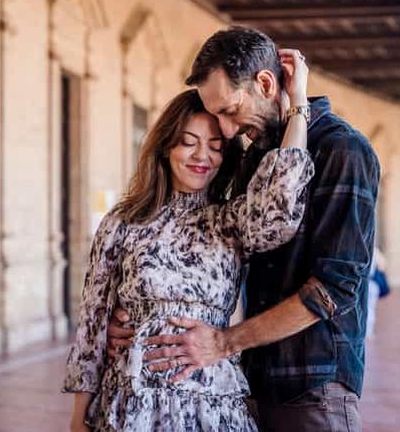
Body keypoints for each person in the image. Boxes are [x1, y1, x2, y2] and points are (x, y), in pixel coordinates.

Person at [107, 27, 380, 432]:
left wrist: (223, 342)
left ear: (266, 83)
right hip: (249, 383)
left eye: (231, 111)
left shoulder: (343, 149)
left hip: (312, 385)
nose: (228, 131)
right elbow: (214, 246)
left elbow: (333, 289)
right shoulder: (257, 157)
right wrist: (137, 319)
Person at [63, 49, 314, 432]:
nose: (203, 157)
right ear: (166, 146)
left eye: (215, 146)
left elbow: (279, 210)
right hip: (134, 405)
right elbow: (94, 324)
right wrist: (79, 419)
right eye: (189, 142)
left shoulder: (229, 221)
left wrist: (298, 105)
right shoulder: (123, 221)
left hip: (211, 408)